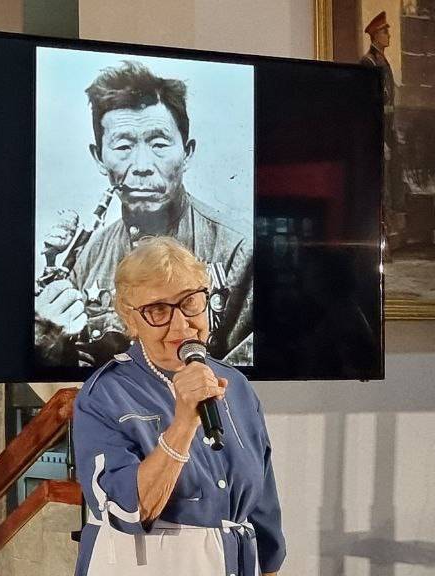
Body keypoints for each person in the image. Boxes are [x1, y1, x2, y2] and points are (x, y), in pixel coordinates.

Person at [71, 237, 285, 576]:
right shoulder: (104, 395)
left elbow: (263, 507)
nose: (181, 324)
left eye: (190, 302)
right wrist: (184, 422)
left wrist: (271, 565)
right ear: (130, 319)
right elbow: (127, 511)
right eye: (158, 310)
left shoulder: (236, 384)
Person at [36, 61, 253, 368]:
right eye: (123, 146)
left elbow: (238, 381)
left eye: (159, 144)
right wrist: (49, 347)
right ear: (99, 158)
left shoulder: (238, 251)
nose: (142, 166)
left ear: (187, 152)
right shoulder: (88, 257)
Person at [359, 11, 403, 214]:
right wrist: (379, 139)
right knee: (379, 179)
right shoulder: (368, 63)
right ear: (376, 35)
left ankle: (388, 216)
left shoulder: (383, 61)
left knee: (391, 176)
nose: (389, 35)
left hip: (388, 127)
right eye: (385, 32)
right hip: (376, 130)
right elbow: (368, 105)